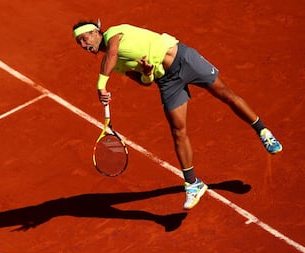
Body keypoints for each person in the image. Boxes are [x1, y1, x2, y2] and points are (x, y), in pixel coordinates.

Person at [72, 20, 282, 210]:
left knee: (226, 95)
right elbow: (144, 82)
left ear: (97, 32)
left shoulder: (115, 33)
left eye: (85, 38)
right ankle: (193, 183)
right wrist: (146, 73)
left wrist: (101, 85)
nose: (83, 45)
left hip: (184, 59)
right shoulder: (115, 65)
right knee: (178, 130)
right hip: (167, 81)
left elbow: (112, 52)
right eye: (79, 43)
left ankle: (262, 131)